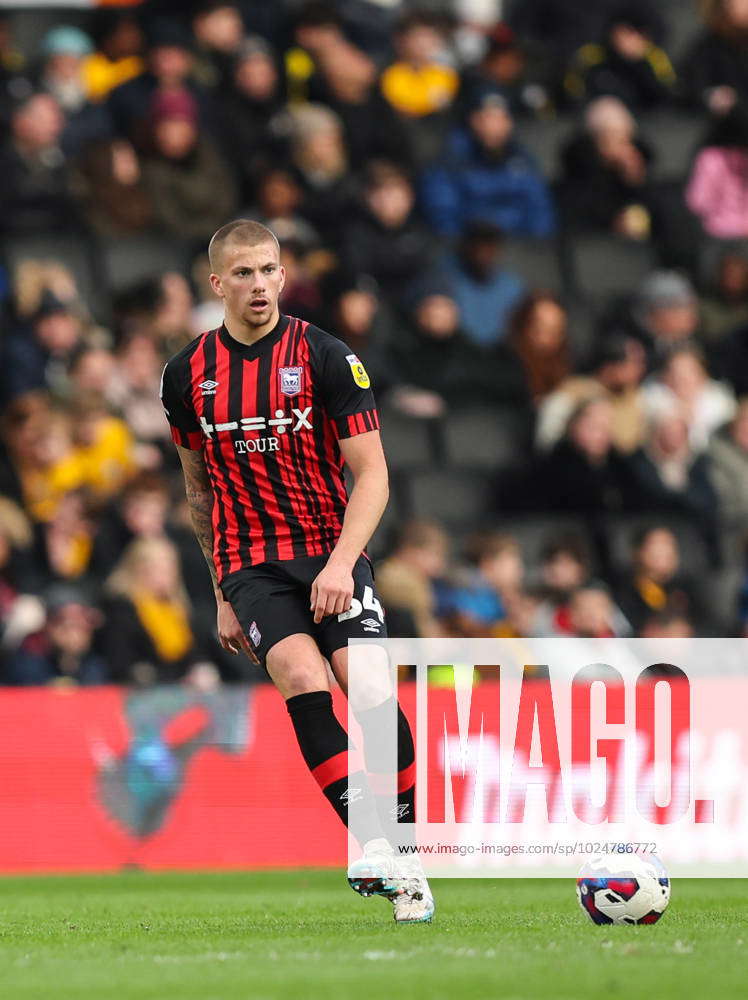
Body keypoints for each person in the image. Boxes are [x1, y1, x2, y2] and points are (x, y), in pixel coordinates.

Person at [159, 219, 432, 922]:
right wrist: (223, 589)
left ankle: (406, 838)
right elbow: (199, 491)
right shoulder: (187, 373)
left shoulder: (326, 356)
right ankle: (377, 849)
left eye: (269, 271)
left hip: (325, 548)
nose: (259, 285)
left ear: (284, 276)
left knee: (367, 689)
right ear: (216, 283)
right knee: (302, 678)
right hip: (251, 562)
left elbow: (372, 474)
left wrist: (343, 563)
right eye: (243, 274)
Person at [421, 84, 555, 239]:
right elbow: (443, 216)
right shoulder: (450, 160)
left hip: (520, 251)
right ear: (473, 120)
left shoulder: (523, 160)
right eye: (488, 117)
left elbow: (540, 210)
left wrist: (533, 246)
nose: (494, 125)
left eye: (501, 118)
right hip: (469, 250)